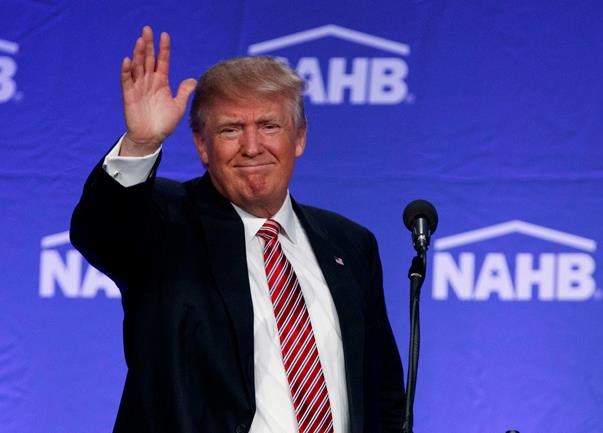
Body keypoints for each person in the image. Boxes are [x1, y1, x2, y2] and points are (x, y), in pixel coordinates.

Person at [70, 26, 405, 433]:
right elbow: (102, 230)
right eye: (230, 129)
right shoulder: (166, 222)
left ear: (298, 138)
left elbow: (381, 390)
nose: (251, 146)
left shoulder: (350, 244)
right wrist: (141, 144)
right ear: (201, 145)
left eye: (269, 126)